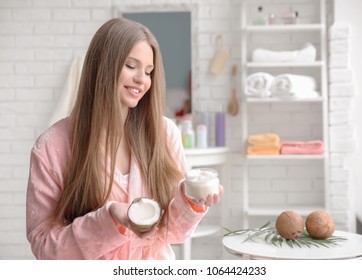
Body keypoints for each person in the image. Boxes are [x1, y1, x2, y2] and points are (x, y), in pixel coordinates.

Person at [26, 17, 223, 260]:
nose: (142, 80)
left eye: (149, 71)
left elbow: (173, 233)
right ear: (103, 67)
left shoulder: (165, 133)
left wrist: (190, 202)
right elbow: (44, 246)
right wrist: (108, 219)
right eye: (131, 66)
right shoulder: (53, 145)